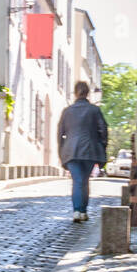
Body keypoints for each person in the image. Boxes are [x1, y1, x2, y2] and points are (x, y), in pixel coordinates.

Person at [57, 80, 108, 222]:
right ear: (88, 93)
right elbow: (103, 129)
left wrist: (61, 151)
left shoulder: (67, 111)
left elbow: (60, 133)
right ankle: (82, 211)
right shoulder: (94, 110)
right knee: (84, 181)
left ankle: (78, 211)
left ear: (75, 93)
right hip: (90, 150)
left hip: (71, 151)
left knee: (78, 181)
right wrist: (102, 146)